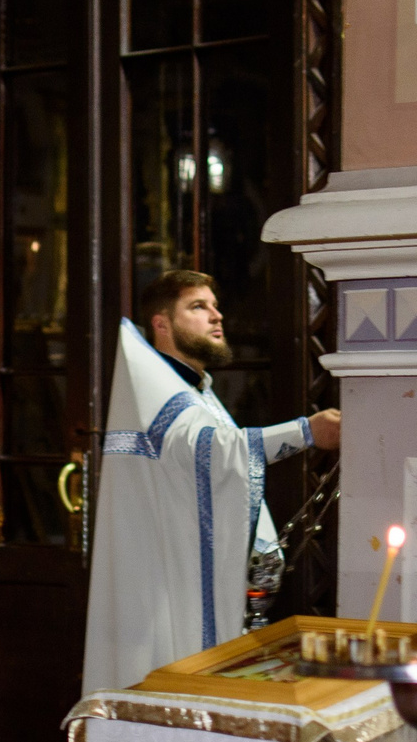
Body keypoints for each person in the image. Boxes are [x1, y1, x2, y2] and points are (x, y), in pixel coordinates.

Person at [81, 270, 341, 696]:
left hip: (182, 575)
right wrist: (306, 432)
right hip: (165, 590)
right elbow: (217, 451)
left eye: (215, 306)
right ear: (161, 324)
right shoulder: (160, 395)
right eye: (198, 307)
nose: (216, 316)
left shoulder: (196, 390)